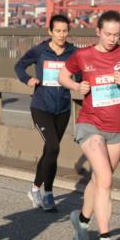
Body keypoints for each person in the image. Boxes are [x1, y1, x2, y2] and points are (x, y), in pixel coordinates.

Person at [61, 10, 120, 240]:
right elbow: (63, 75)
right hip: (90, 124)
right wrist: (77, 86)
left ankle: (82, 219)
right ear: (98, 31)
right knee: (106, 178)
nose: (111, 39)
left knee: (99, 180)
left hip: (118, 128)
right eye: (107, 34)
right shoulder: (83, 55)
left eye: (116, 35)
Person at [14, 14, 77, 212]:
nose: (61, 34)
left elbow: (82, 72)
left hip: (64, 107)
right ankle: (48, 193)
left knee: (50, 151)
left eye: (65, 31)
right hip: (41, 106)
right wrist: (27, 79)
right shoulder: (40, 50)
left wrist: (82, 83)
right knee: (53, 147)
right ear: (50, 31)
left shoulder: (73, 52)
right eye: (57, 31)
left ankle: (35, 189)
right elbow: (19, 65)